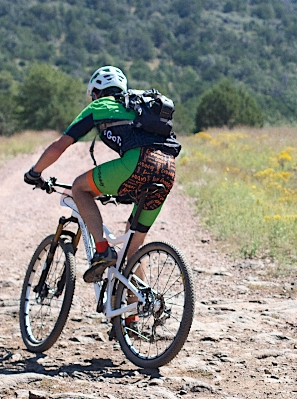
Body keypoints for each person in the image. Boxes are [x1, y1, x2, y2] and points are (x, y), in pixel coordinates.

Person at [24, 65, 180, 286]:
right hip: (167, 169)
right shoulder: (137, 108)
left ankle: (102, 250)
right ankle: (133, 313)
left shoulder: (99, 106)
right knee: (133, 250)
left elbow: (60, 146)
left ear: (96, 93)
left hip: (137, 163)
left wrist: (35, 172)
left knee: (79, 188)